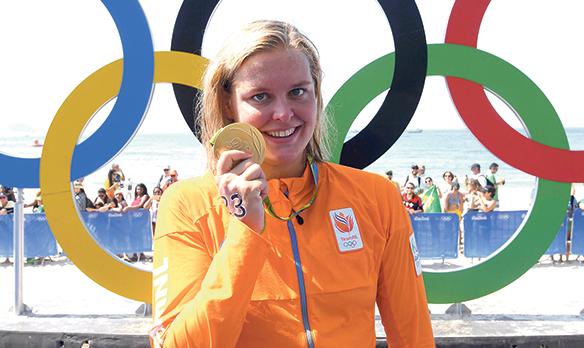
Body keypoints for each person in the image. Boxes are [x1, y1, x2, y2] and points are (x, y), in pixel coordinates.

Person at [151, 20, 434, 348]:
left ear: (316, 93)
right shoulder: (187, 204)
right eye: (261, 97)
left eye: (298, 92)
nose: (283, 113)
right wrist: (245, 231)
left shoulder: (377, 197)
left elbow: (414, 336)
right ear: (229, 103)